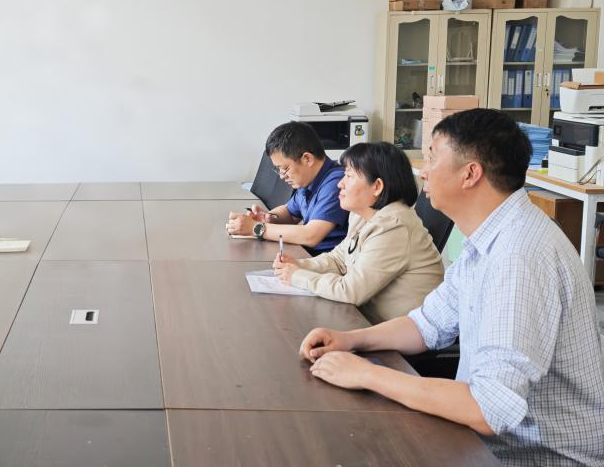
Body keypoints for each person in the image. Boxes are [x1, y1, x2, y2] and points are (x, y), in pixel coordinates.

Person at [299, 109, 604, 466]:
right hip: (481, 440)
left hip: (532, 457)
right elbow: (426, 324)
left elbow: (489, 409)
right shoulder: (487, 239)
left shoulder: (519, 256)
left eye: (432, 158)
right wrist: (351, 340)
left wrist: (367, 374)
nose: (422, 171)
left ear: (470, 174)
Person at [273, 142, 443, 323]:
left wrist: (297, 276)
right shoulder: (363, 214)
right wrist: (300, 265)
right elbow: (339, 260)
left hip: (398, 335)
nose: (340, 183)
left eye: (349, 176)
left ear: (377, 186)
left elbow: (350, 291)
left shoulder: (393, 226)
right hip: (363, 320)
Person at [227, 121, 349, 254]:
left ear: (307, 159)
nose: (281, 176)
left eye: (285, 168)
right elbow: (290, 213)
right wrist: (268, 217)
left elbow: (310, 235)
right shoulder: (308, 179)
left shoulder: (336, 183)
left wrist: (256, 228)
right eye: (278, 169)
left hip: (323, 261)